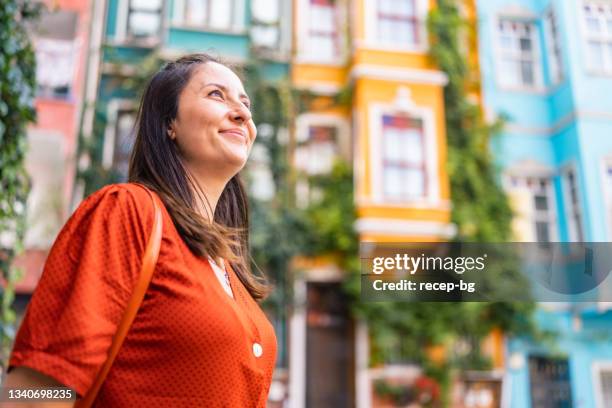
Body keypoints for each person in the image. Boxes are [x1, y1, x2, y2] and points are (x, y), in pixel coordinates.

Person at [4, 53, 277, 407]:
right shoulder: (127, 213)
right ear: (169, 123)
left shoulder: (230, 272)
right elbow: (32, 390)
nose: (243, 114)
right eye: (215, 95)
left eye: (246, 103)